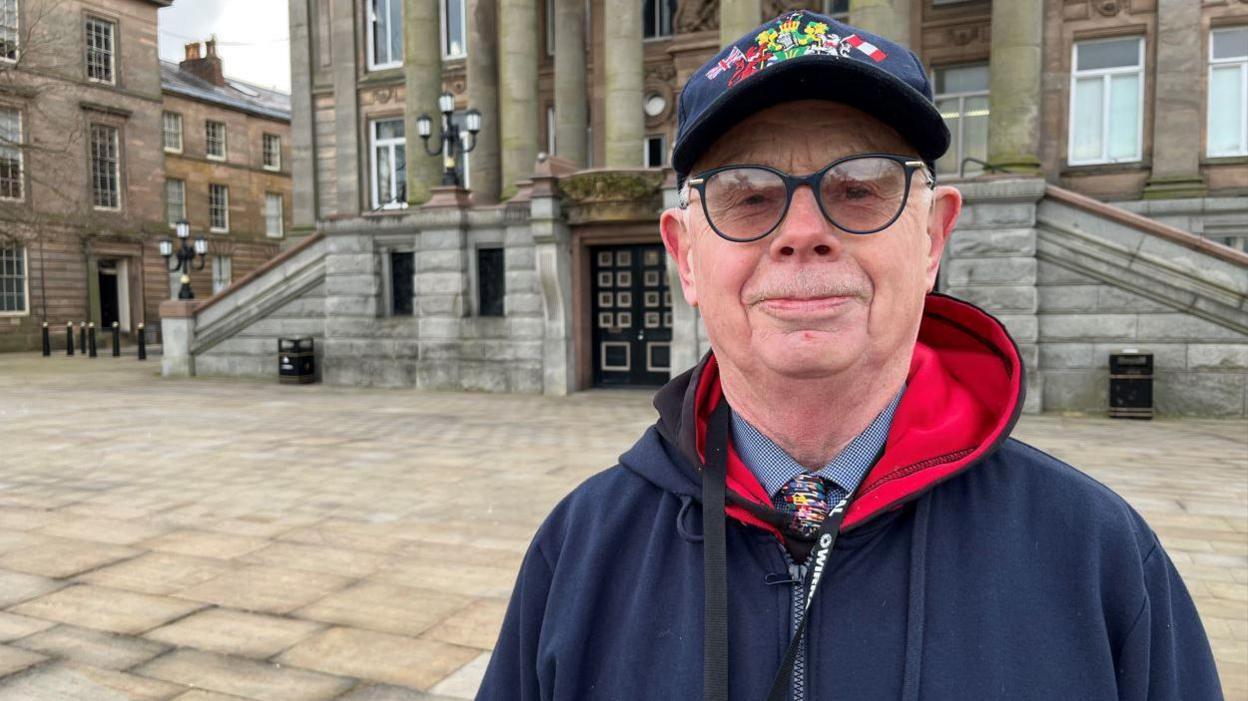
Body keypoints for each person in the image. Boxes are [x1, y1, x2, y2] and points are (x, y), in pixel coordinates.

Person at [477, 10, 1222, 700]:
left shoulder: (1099, 556)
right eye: (747, 194)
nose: (803, 229)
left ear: (932, 239)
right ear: (686, 256)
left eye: (860, 188)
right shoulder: (576, 553)